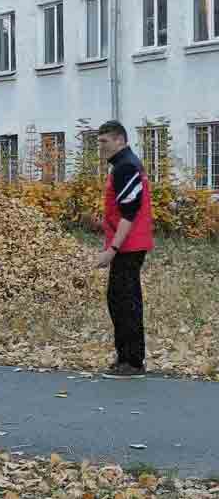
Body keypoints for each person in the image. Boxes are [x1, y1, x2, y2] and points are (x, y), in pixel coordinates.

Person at [95, 121, 155, 379]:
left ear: (120, 140)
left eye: (104, 142)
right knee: (119, 299)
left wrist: (113, 249)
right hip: (128, 243)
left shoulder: (126, 166)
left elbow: (130, 214)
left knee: (125, 301)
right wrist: (102, 225)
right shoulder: (124, 165)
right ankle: (126, 357)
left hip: (129, 246)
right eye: (99, 142)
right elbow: (125, 209)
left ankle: (132, 362)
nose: (101, 147)